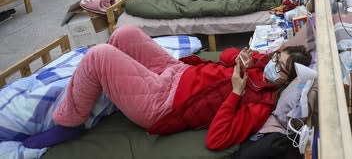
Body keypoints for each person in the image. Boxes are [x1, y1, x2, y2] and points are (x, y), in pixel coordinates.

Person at [22, 26, 311, 151]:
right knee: (125, 34)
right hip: (178, 71)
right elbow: (223, 57)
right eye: (277, 59)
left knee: (99, 55)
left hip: (164, 103)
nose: (274, 67)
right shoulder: (261, 66)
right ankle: (107, 87)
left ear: (285, 81)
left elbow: (217, 139)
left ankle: (69, 122)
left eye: (281, 68)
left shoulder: (259, 106)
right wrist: (244, 58)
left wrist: (236, 91)